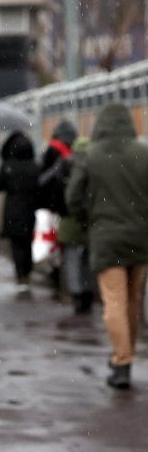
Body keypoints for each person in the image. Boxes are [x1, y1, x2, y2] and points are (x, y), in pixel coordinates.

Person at [66, 104, 148, 389]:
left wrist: (91, 220)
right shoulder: (144, 153)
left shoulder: (91, 155)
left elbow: (73, 197)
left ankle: (121, 361)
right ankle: (127, 355)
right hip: (141, 237)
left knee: (114, 301)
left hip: (106, 235)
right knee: (133, 302)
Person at [0, 132, 40, 291]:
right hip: (30, 208)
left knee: (16, 244)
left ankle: (21, 275)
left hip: (12, 208)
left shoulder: (8, 165)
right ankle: (27, 271)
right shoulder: (35, 166)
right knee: (27, 241)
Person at [40, 120, 77, 296]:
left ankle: (55, 275)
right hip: (66, 207)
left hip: (52, 205)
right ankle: (59, 276)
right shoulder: (71, 153)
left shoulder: (51, 150)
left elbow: (43, 180)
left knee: (53, 241)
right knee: (62, 244)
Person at [57, 137, 93, 314]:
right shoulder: (97, 163)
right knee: (88, 260)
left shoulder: (65, 163)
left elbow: (61, 193)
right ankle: (88, 294)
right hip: (92, 221)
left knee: (72, 260)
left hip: (69, 220)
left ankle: (76, 294)